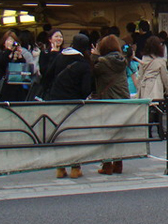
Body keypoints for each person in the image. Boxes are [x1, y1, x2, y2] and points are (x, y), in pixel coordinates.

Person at [46, 34, 95, 179]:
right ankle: (75, 167)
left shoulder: (59, 57)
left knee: (59, 134)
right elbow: (86, 89)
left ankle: (60, 168)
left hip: (56, 101)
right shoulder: (83, 64)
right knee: (74, 135)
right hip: (74, 104)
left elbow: (47, 76)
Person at [91, 35, 128, 175]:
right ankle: (118, 164)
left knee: (106, 133)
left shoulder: (102, 62)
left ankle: (107, 165)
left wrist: (94, 56)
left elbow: (94, 72)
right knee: (119, 133)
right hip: (123, 101)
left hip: (108, 101)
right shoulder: (122, 60)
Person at [138, 36, 168, 140]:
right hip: (156, 85)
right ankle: (160, 131)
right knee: (158, 109)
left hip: (146, 85)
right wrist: (167, 88)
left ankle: (148, 131)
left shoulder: (143, 59)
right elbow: (165, 76)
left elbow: (140, 75)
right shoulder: (161, 61)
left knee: (149, 109)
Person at [0, 30, 30, 102]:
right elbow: (3, 62)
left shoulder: (17, 55)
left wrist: (19, 56)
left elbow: (23, 68)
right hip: (4, 89)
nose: (11, 42)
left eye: (13, 40)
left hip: (18, 89)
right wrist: (9, 50)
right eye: (9, 40)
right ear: (4, 42)